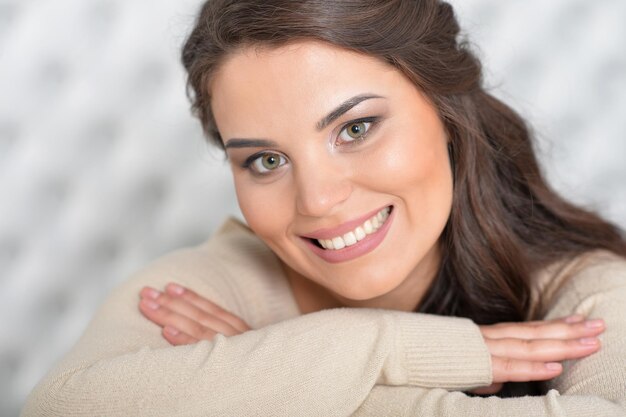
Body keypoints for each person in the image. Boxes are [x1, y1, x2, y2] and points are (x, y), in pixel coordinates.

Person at [21, 0, 626, 416]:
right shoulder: (216, 286)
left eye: (356, 128)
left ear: (447, 114)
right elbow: (60, 408)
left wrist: (295, 385)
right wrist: (387, 351)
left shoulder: (586, 289)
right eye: (265, 161)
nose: (317, 200)